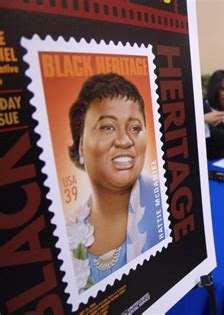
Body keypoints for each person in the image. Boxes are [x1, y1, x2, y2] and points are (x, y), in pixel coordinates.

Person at [67, 73, 164, 292]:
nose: (124, 140)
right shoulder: (65, 233)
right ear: (81, 144)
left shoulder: (168, 211)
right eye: (108, 127)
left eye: (135, 128)